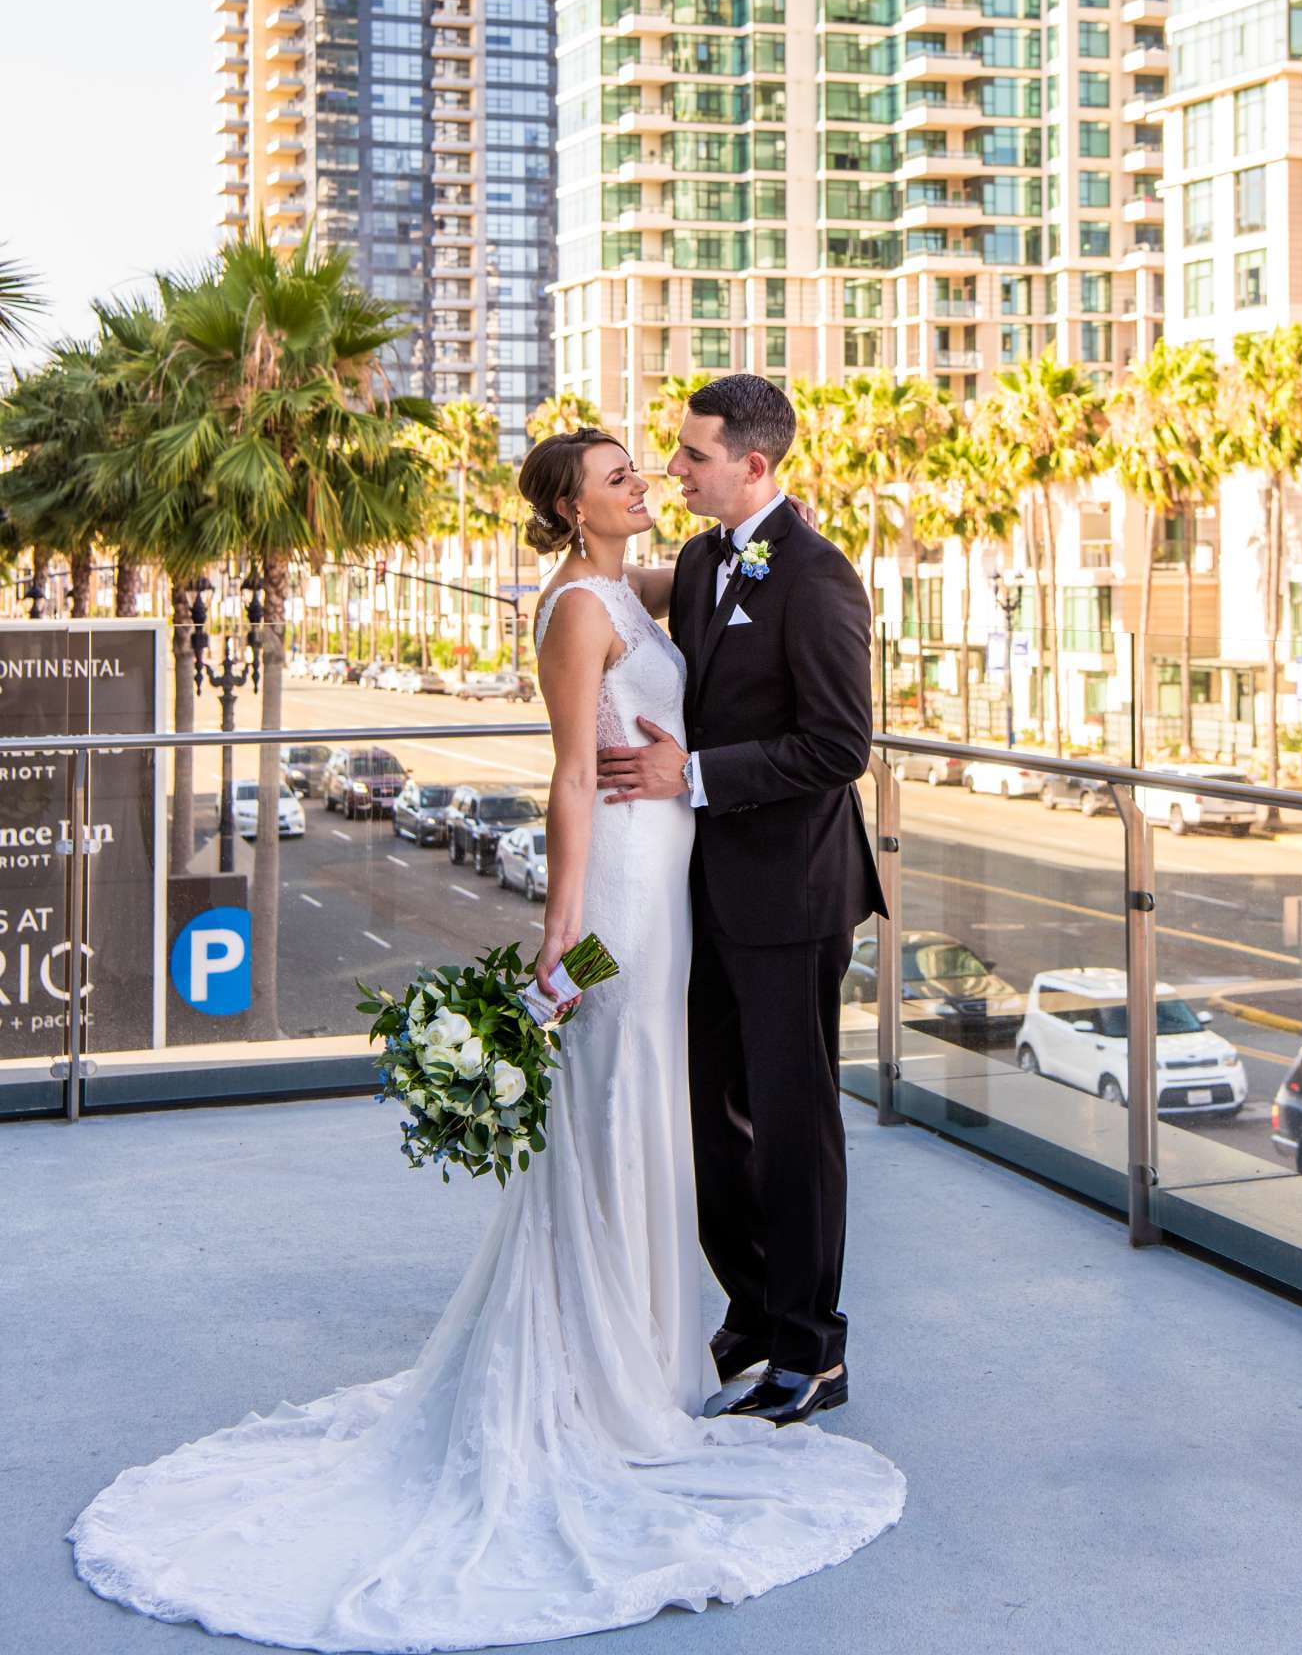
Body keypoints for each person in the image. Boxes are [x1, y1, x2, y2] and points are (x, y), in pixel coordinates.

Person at [68, 426, 903, 1653]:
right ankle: (601, 1367)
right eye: (625, 470)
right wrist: (560, 929)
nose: (653, 477)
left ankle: (667, 1343)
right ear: (571, 507)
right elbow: (573, 776)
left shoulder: (655, 575)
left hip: (683, 889)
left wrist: (752, 540)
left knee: (648, 1106)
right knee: (612, 1086)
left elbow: (746, 580)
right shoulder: (578, 605)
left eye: (669, 460)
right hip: (619, 893)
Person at [597, 375, 887, 1428]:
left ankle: (814, 1352)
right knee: (714, 1124)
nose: (674, 470)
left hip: (793, 895)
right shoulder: (706, 558)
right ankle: (754, 1312)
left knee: (794, 1126)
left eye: (692, 455)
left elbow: (837, 745)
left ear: (753, 466)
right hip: (699, 894)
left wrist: (696, 775)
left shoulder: (815, 578)